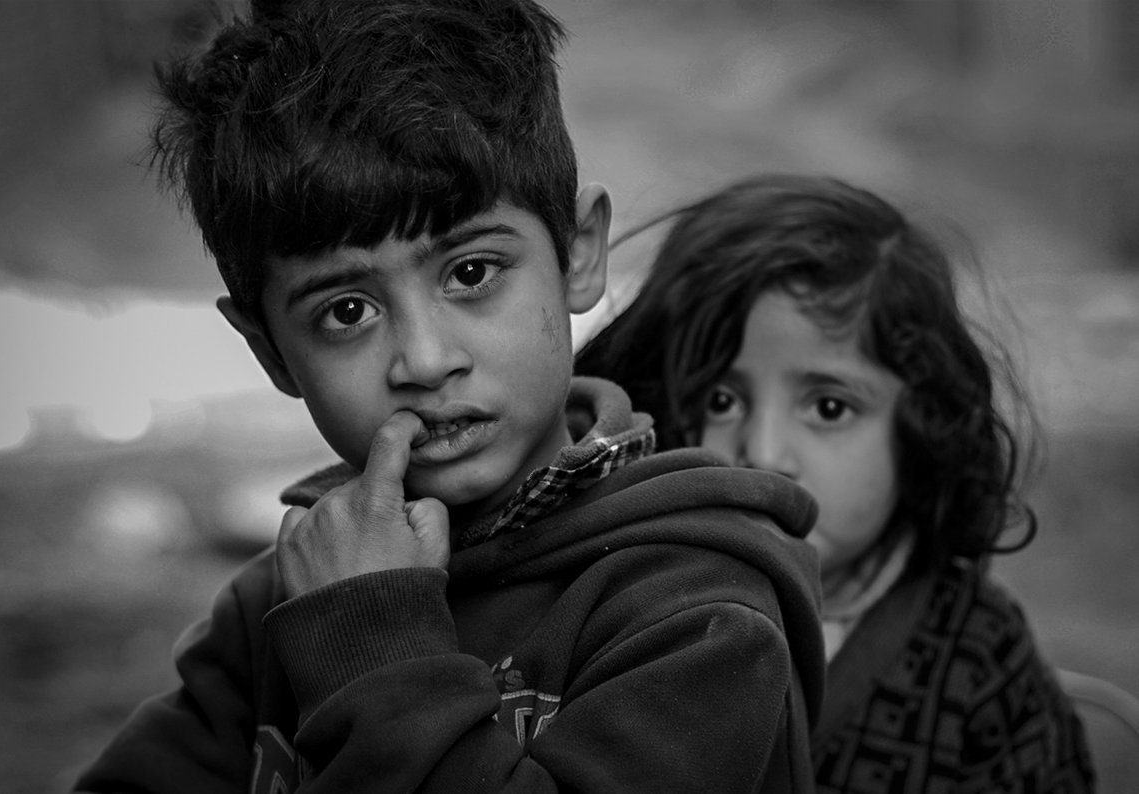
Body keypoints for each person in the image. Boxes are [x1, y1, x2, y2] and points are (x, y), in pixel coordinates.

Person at [74, 4, 825, 792]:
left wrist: (371, 645)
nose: (425, 362)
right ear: (269, 352)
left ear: (578, 254)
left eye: (471, 273)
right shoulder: (284, 599)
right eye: (347, 312)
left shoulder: (695, 612)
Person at [576, 174, 1096, 792]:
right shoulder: (615, 603)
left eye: (829, 408)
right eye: (720, 400)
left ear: (921, 429)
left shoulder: (977, 653)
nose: (764, 453)